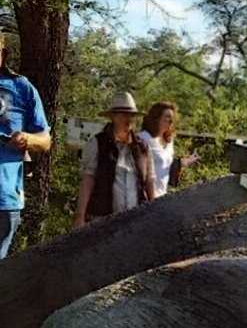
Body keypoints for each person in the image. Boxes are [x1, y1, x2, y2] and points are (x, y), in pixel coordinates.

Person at [0, 32, 50, 258]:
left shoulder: (21, 87)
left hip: (4, 198)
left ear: (3, 54)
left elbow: (45, 140)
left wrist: (27, 139)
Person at [74, 92, 156, 228]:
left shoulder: (143, 147)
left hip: (136, 220)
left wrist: (155, 211)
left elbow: (150, 180)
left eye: (131, 115)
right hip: (102, 220)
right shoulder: (97, 143)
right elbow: (88, 179)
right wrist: (80, 216)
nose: (128, 118)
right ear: (113, 117)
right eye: (123, 114)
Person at [138, 101, 199, 198]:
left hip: (162, 197)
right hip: (145, 198)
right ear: (156, 118)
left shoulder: (169, 140)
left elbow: (165, 166)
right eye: (167, 117)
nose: (171, 121)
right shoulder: (143, 139)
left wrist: (183, 162)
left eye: (172, 118)